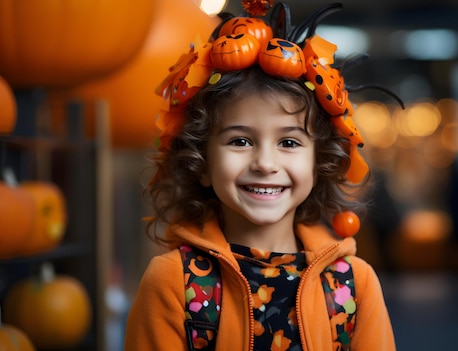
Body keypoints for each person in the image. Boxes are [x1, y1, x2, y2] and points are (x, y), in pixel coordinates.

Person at [125, 2, 396, 350]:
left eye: (288, 142)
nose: (265, 163)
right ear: (202, 163)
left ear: (319, 162)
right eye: (240, 141)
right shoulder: (174, 282)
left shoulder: (352, 284)